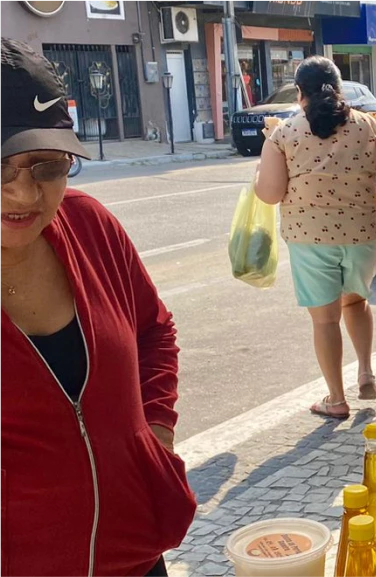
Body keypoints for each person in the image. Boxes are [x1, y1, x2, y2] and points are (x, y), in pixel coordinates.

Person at [0, 38, 196, 577]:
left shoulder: (89, 225)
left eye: (46, 166)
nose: (23, 195)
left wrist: (153, 433)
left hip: (137, 557)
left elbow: (153, 330)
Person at [255, 56, 376, 418]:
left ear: (300, 93)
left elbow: (269, 193)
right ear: (339, 88)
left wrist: (262, 164)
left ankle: (335, 399)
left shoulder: (283, 134)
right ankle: (365, 371)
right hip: (362, 237)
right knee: (356, 303)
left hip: (309, 238)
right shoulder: (369, 126)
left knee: (325, 320)